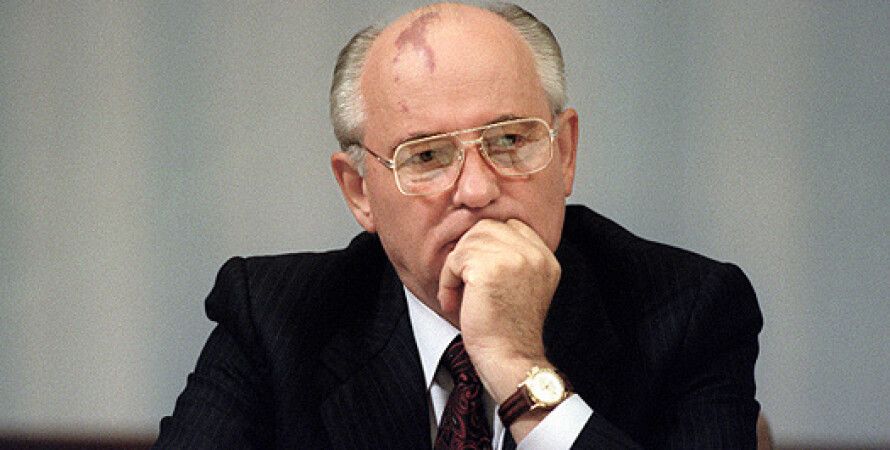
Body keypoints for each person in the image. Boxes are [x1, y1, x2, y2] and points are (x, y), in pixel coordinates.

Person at [154, 3, 763, 449]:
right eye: (426, 156)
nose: (477, 190)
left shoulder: (687, 311)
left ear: (565, 153)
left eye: (510, 141)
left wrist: (519, 367)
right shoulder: (275, 319)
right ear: (360, 191)